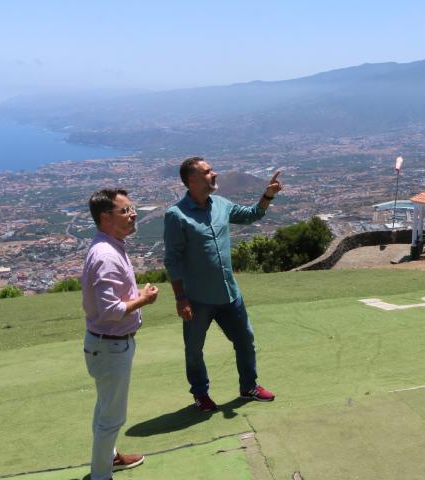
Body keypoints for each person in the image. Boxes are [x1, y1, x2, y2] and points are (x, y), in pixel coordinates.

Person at [163, 157, 282, 412]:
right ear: (192, 180)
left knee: (245, 340)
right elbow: (172, 260)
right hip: (197, 298)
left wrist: (267, 196)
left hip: (229, 294)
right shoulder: (176, 215)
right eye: (207, 172)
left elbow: (252, 215)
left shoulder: (221, 204)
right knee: (194, 350)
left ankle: (249, 386)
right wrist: (180, 298)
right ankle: (201, 394)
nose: (214, 174)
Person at [81, 189, 159, 480]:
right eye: (125, 210)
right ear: (105, 217)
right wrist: (143, 300)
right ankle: (101, 476)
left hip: (105, 345)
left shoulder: (109, 245)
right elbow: (111, 310)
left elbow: (110, 302)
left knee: (105, 410)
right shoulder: (106, 255)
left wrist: (135, 295)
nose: (133, 214)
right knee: (111, 418)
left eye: (132, 208)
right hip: (111, 346)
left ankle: (110, 458)